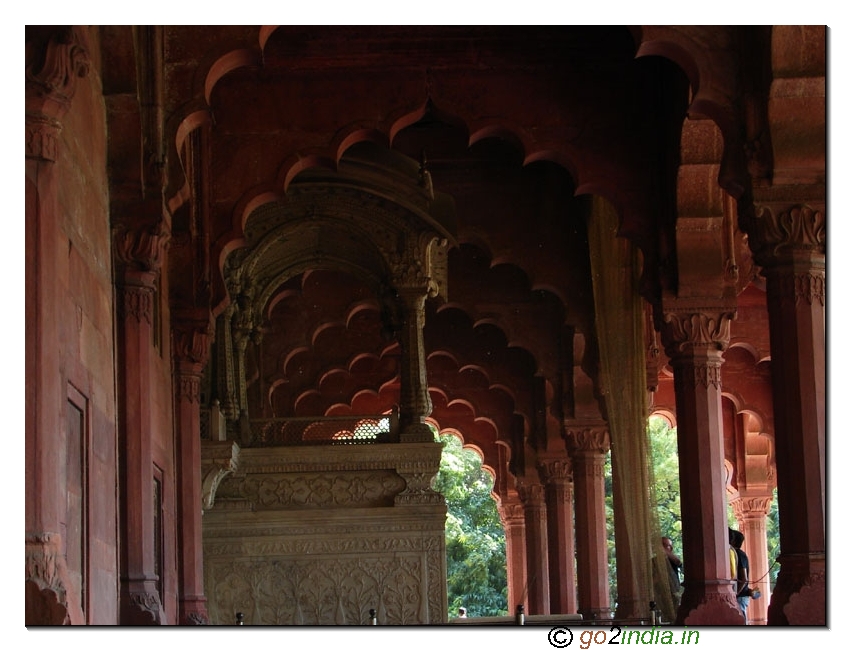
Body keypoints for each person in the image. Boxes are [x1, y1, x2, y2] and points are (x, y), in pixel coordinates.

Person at [729, 529, 751, 623]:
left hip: (740, 596)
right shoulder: (734, 553)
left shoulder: (738, 554)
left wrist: (736, 593)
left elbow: (744, 578)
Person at [661, 536, 683, 607]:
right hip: (660, 593)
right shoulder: (653, 561)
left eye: (667, 546)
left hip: (673, 591)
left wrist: (666, 552)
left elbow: (679, 562)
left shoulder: (673, 559)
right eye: (662, 545)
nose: (663, 547)